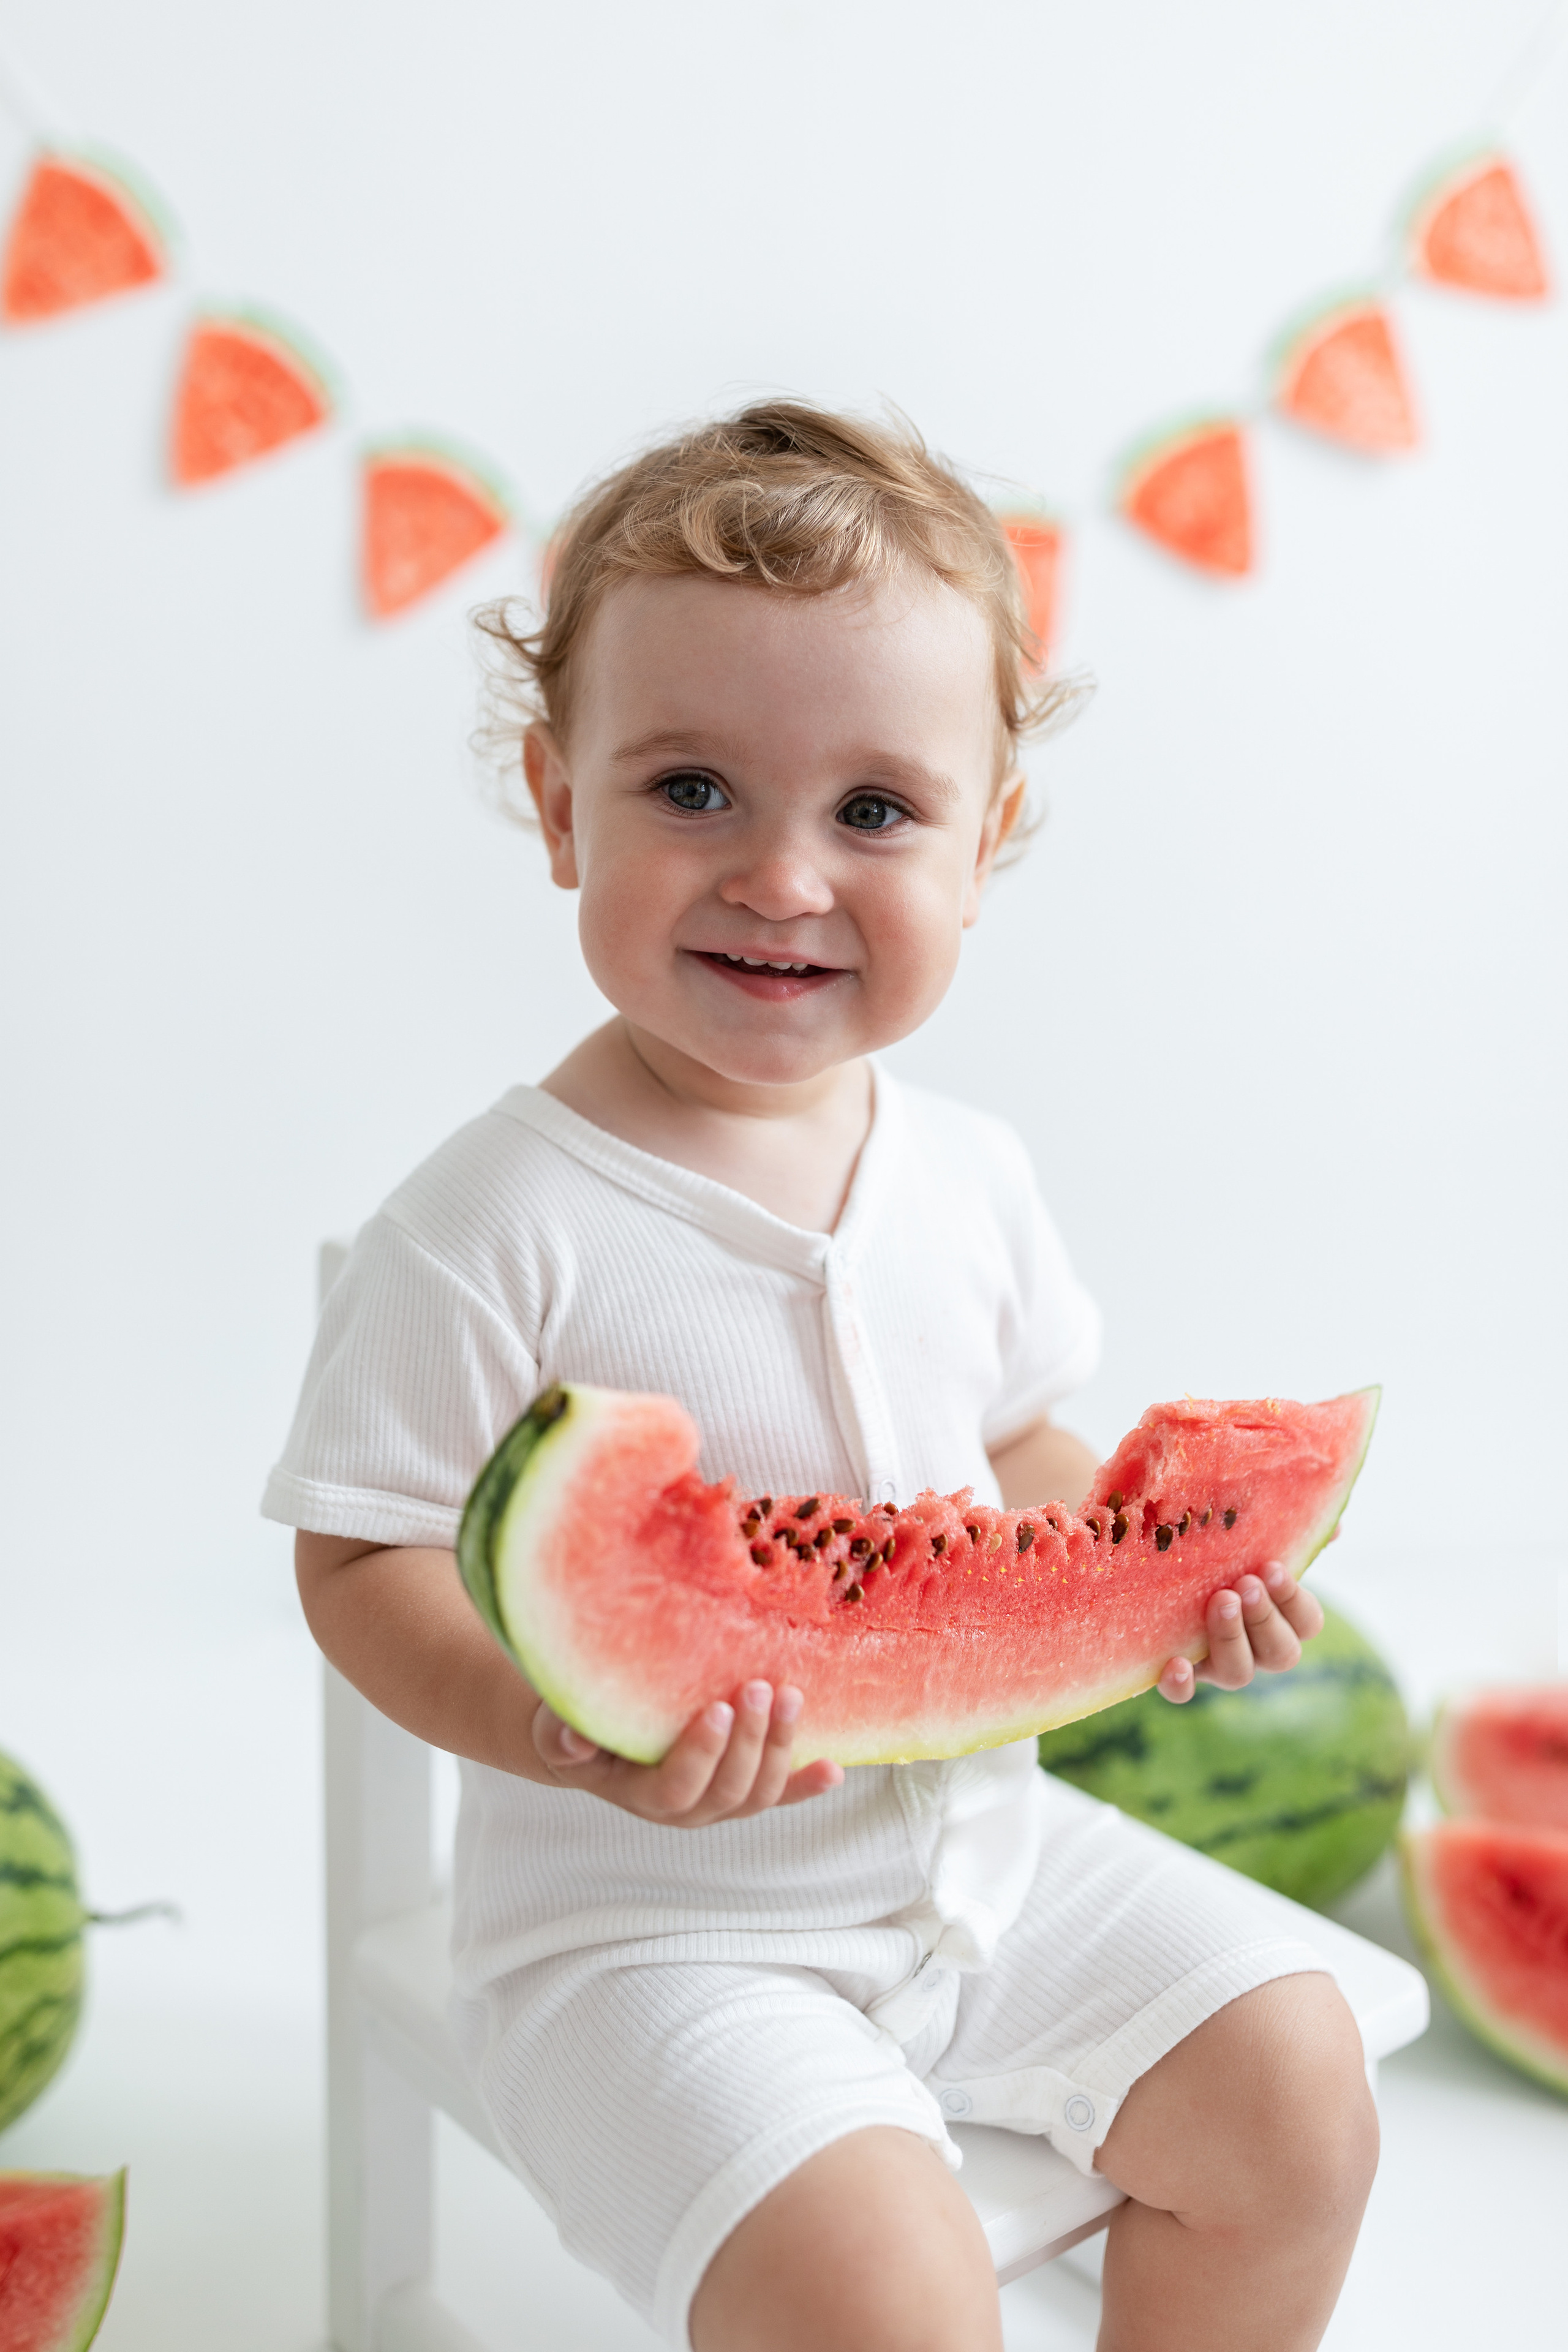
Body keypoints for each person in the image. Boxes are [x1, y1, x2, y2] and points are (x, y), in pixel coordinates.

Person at [268, 402, 1377, 2352]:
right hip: (646, 1943)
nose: (782, 879)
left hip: (995, 1865)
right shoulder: (490, 1222)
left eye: (875, 812)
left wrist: (1156, 1584)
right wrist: (559, 1718)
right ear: (558, 807)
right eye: (693, 790)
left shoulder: (975, 1174)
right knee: (884, 2305)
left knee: (1301, 2095)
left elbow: (1022, 1454)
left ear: (986, 841)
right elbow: (363, 1559)